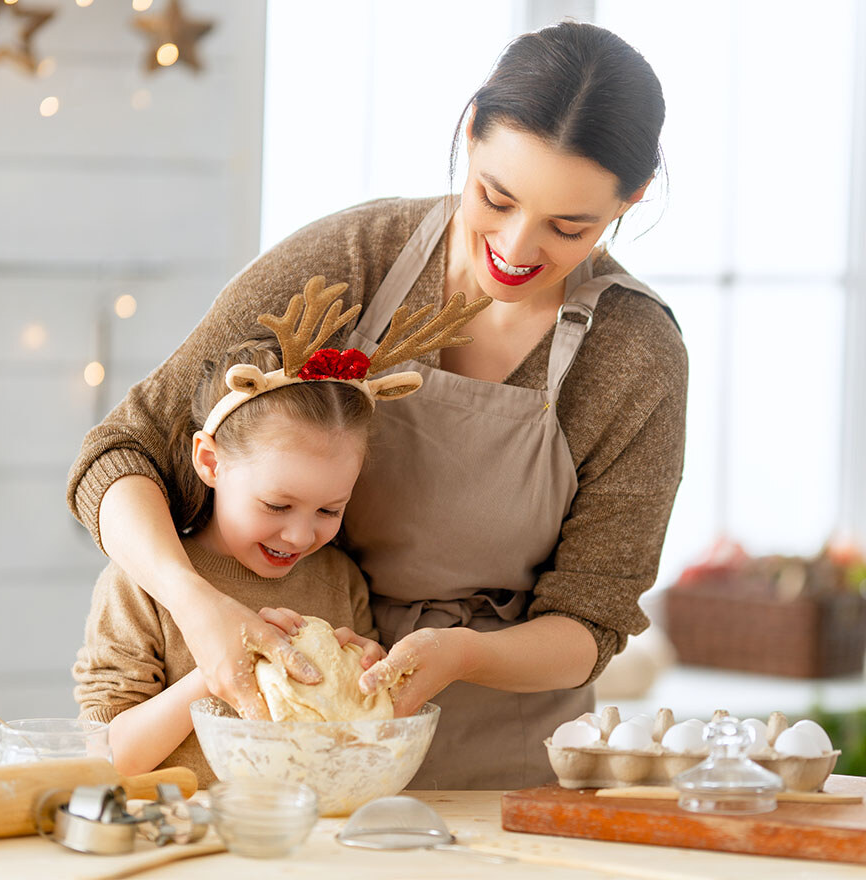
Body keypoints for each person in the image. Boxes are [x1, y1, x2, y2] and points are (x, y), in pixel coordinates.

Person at [67, 20, 687, 789]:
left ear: (633, 198)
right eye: (496, 197)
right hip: (290, 765)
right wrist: (196, 604)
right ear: (470, 133)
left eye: (570, 227)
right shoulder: (351, 262)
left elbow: (590, 621)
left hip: (501, 766)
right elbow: (120, 454)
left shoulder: (634, 352)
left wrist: (461, 655)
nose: (518, 248)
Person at [72, 278, 488, 784]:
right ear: (210, 461)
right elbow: (104, 758)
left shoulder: (341, 582)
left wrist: (365, 685)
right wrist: (215, 673)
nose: (298, 536)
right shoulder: (140, 585)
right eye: (276, 504)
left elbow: (356, 754)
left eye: (329, 511)